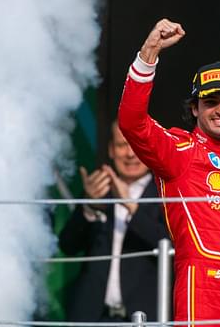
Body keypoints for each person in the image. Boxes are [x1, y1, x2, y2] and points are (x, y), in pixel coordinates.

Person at [118, 18, 220, 326]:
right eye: (210, 101)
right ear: (194, 108)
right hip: (203, 293)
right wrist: (150, 51)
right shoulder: (179, 152)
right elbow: (132, 123)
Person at [59, 119, 169, 322]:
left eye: (137, 145)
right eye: (121, 145)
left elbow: (172, 247)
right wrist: (89, 207)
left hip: (144, 317)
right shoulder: (99, 190)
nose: (129, 154)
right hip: (93, 317)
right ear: (111, 150)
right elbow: (68, 245)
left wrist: (131, 207)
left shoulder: (167, 193)